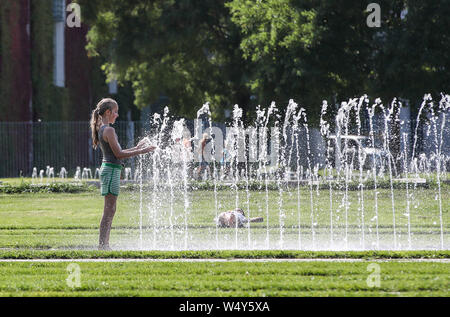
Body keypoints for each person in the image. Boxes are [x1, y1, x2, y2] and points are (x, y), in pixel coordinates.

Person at [90, 98, 155, 250]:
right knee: (109, 210)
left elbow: (117, 153)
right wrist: (142, 151)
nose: (117, 115)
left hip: (110, 169)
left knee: (110, 209)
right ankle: (103, 245)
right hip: (111, 170)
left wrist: (136, 147)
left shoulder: (103, 129)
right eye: (115, 112)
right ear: (108, 112)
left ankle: (104, 244)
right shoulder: (109, 130)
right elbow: (119, 154)